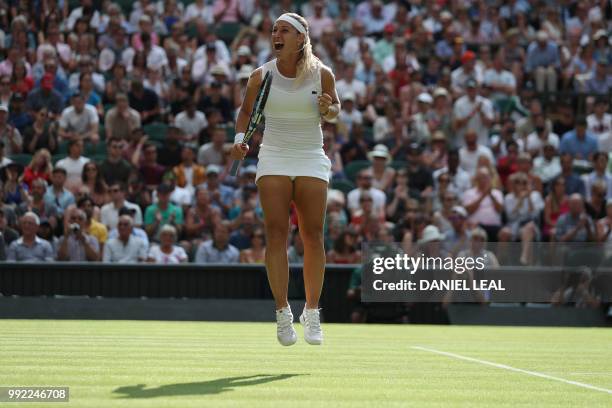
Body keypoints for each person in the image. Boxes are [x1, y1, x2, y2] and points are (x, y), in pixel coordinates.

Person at [229, 13, 339, 346]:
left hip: (310, 155)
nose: (276, 34)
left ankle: (312, 311)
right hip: (274, 154)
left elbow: (335, 113)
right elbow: (247, 113)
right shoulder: (260, 76)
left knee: (313, 236)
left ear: (301, 38)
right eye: (274, 30)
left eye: (284, 30)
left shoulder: (323, 75)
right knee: (276, 232)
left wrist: (329, 109)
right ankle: (281, 312)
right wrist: (238, 139)